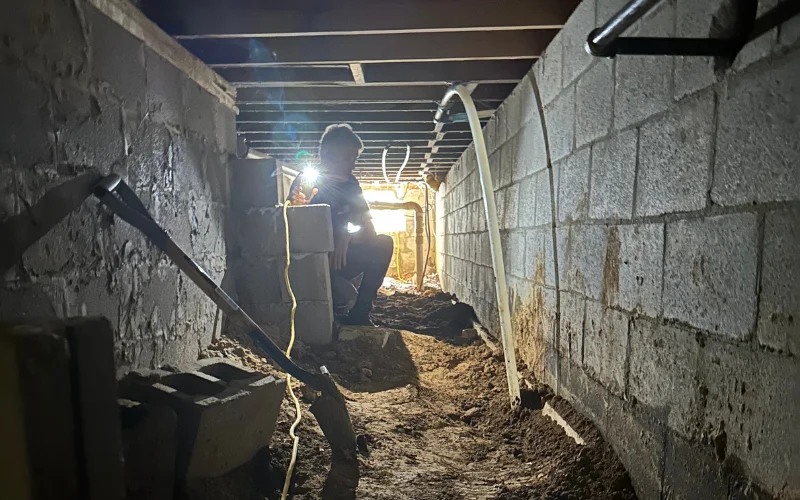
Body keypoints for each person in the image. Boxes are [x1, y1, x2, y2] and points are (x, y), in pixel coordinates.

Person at [288, 124, 393, 326]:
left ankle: (360, 314)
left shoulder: (351, 184)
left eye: (354, 159)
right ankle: (336, 299)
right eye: (348, 158)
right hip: (311, 262)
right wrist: (298, 207)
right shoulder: (306, 183)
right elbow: (290, 229)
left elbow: (369, 228)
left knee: (383, 243)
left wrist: (346, 233)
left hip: (341, 260)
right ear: (327, 154)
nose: (352, 165)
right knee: (339, 296)